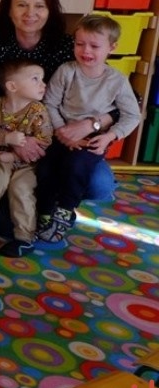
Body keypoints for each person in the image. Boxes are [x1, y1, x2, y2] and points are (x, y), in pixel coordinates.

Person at [0, 0, 116, 202]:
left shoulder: (69, 49)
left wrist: (92, 123)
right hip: (6, 147)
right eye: (21, 5)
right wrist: (14, 141)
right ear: (9, 10)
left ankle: (56, 205)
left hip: (60, 144)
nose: (30, 13)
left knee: (99, 185)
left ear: (50, 10)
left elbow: (124, 98)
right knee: (2, 212)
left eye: (39, 6)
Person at [36, 15, 141, 243]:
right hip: (61, 133)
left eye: (94, 46)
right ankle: (44, 213)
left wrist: (110, 136)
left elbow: (133, 115)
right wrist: (62, 132)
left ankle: (64, 212)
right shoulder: (66, 71)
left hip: (93, 139)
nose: (86, 51)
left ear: (112, 48)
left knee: (76, 167)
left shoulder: (117, 80)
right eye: (80, 43)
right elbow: (49, 103)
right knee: (45, 168)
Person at [0, 59, 52, 257]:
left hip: (27, 164)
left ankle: (24, 238)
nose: (43, 84)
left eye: (42, 79)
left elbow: (44, 142)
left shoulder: (38, 111)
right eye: (35, 79)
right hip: (0, 159)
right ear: (12, 86)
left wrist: (13, 155)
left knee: (21, 189)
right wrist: (4, 138)